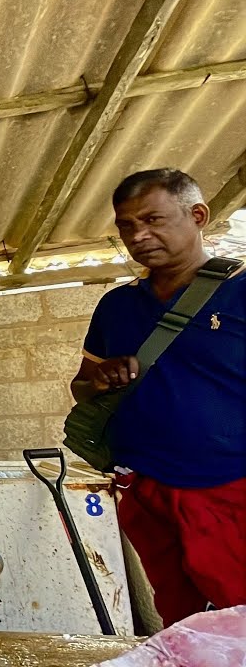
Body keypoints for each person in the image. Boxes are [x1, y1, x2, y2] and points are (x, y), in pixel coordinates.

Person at [70, 169, 244, 626]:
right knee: (182, 616)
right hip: (145, 488)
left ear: (198, 215)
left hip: (229, 488)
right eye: (127, 225)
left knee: (237, 614)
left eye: (153, 220)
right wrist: (101, 378)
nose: (138, 235)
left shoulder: (241, 291)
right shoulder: (116, 305)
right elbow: (81, 387)